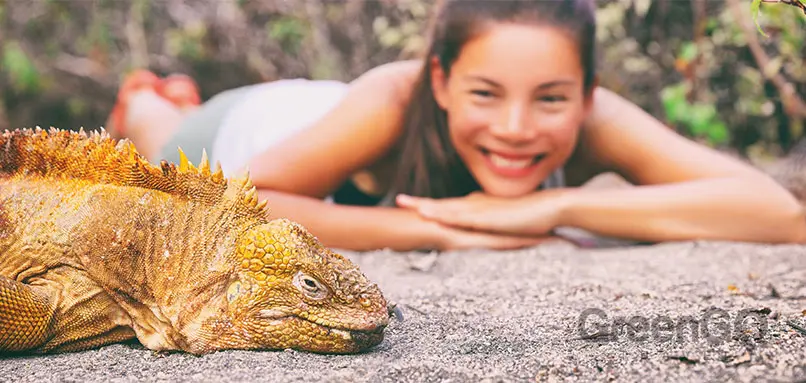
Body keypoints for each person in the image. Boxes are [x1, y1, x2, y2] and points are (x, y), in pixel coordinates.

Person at [104, 0, 806, 252]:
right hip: (244, 133)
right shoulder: (394, 98)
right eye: (485, 92)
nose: (516, 126)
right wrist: (440, 229)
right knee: (160, 130)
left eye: (552, 99)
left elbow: (778, 213)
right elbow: (246, 201)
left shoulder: (594, 118)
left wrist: (557, 203)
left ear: (588, 92)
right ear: (440, 80)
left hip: (320, 113)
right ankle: (149, 97)